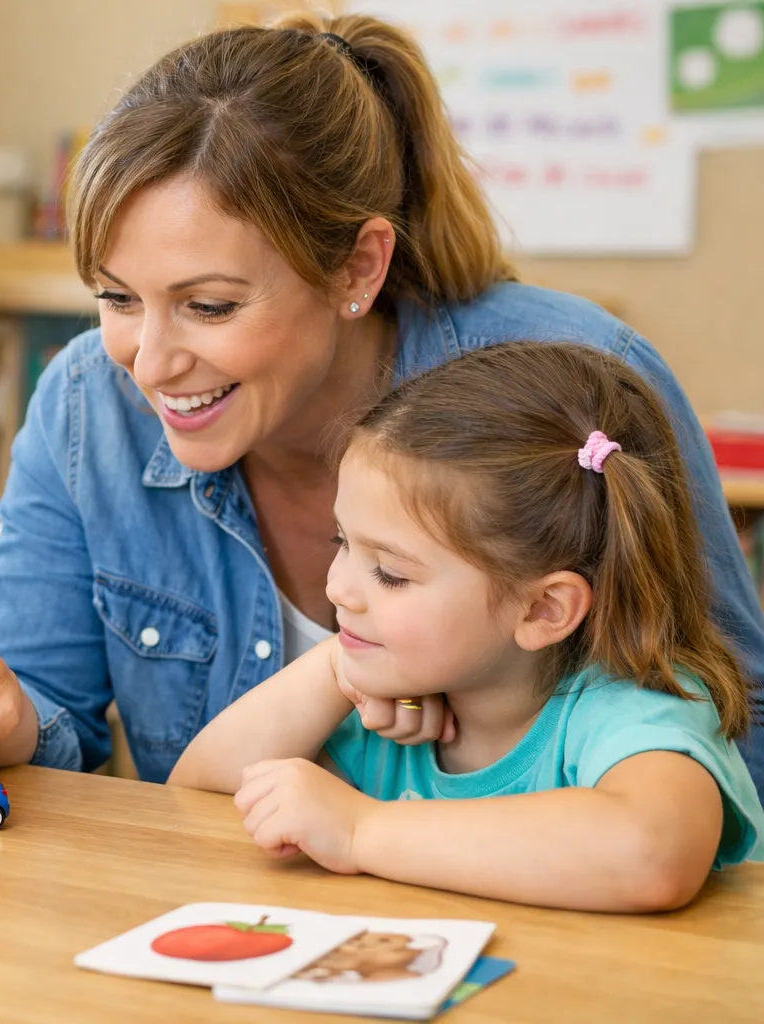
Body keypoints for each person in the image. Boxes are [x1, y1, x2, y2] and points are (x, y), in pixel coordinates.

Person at [0, 13, 764, 790]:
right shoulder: (88, 400)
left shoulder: (579, 379)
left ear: (357, 267)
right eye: (117, 297)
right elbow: (51, 722)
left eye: (209, 306)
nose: (148, 362)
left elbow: (736, 715)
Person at [169, 343, 763, 912]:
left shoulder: (630, 707)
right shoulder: (390, 696)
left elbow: (651, 854)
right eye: (341, 542)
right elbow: (194, 800)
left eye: (391, 574)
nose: (337, 588)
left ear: (542, 610)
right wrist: (332, 670)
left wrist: (362, 829)